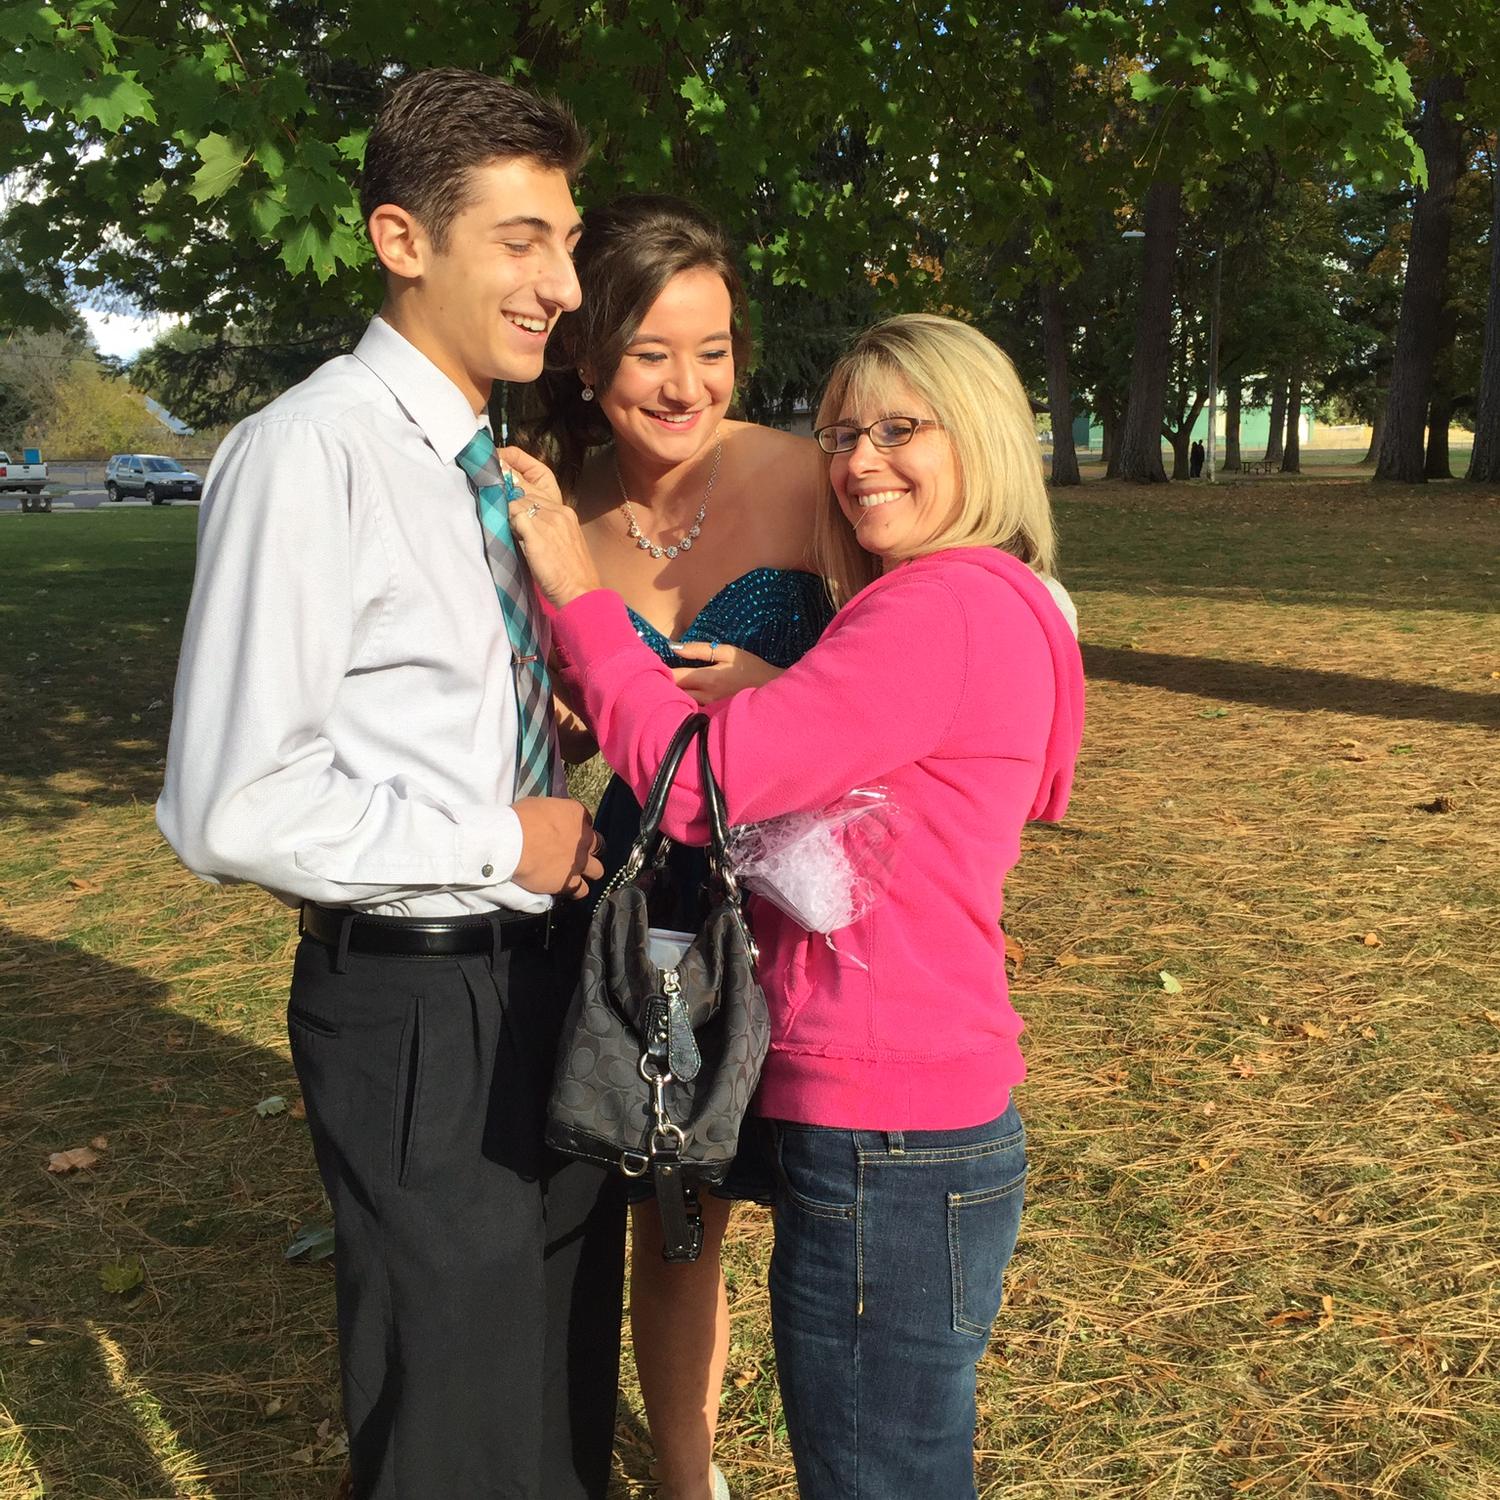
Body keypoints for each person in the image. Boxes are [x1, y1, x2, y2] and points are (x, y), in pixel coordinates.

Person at [512, 312, 1085, 1498]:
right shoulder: (981, 598)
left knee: (877, 1471)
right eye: (842, 434)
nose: (860, 462)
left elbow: (694, 789)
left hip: (889, 1124)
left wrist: (577, 596)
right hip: (909, 1113)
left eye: (899, 430)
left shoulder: (939, 609)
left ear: (979, 435)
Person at [156, 69, 625, 1500]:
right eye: (521, 240)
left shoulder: (486, 462)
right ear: (402, 239)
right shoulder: (311, 454)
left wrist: (535, 719)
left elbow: (405, 707)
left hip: (547, 976)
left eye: (567, 241)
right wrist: (501, 835)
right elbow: (231, 803)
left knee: (555, 1394)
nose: (563, 284)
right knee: (456, 1425)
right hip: (423, 1010)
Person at [523, 194, 834, 1500]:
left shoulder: (812, 478)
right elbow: (557, 715)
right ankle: (686, 1478)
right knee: (675, 1210)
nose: (687, 384)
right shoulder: (555, 512)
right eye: (652, 353)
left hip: (805, 888)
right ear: (589, 358)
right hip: (650, 899)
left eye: (713, 350)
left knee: (825, 1194)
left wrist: (782, 685)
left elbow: (910, 655)